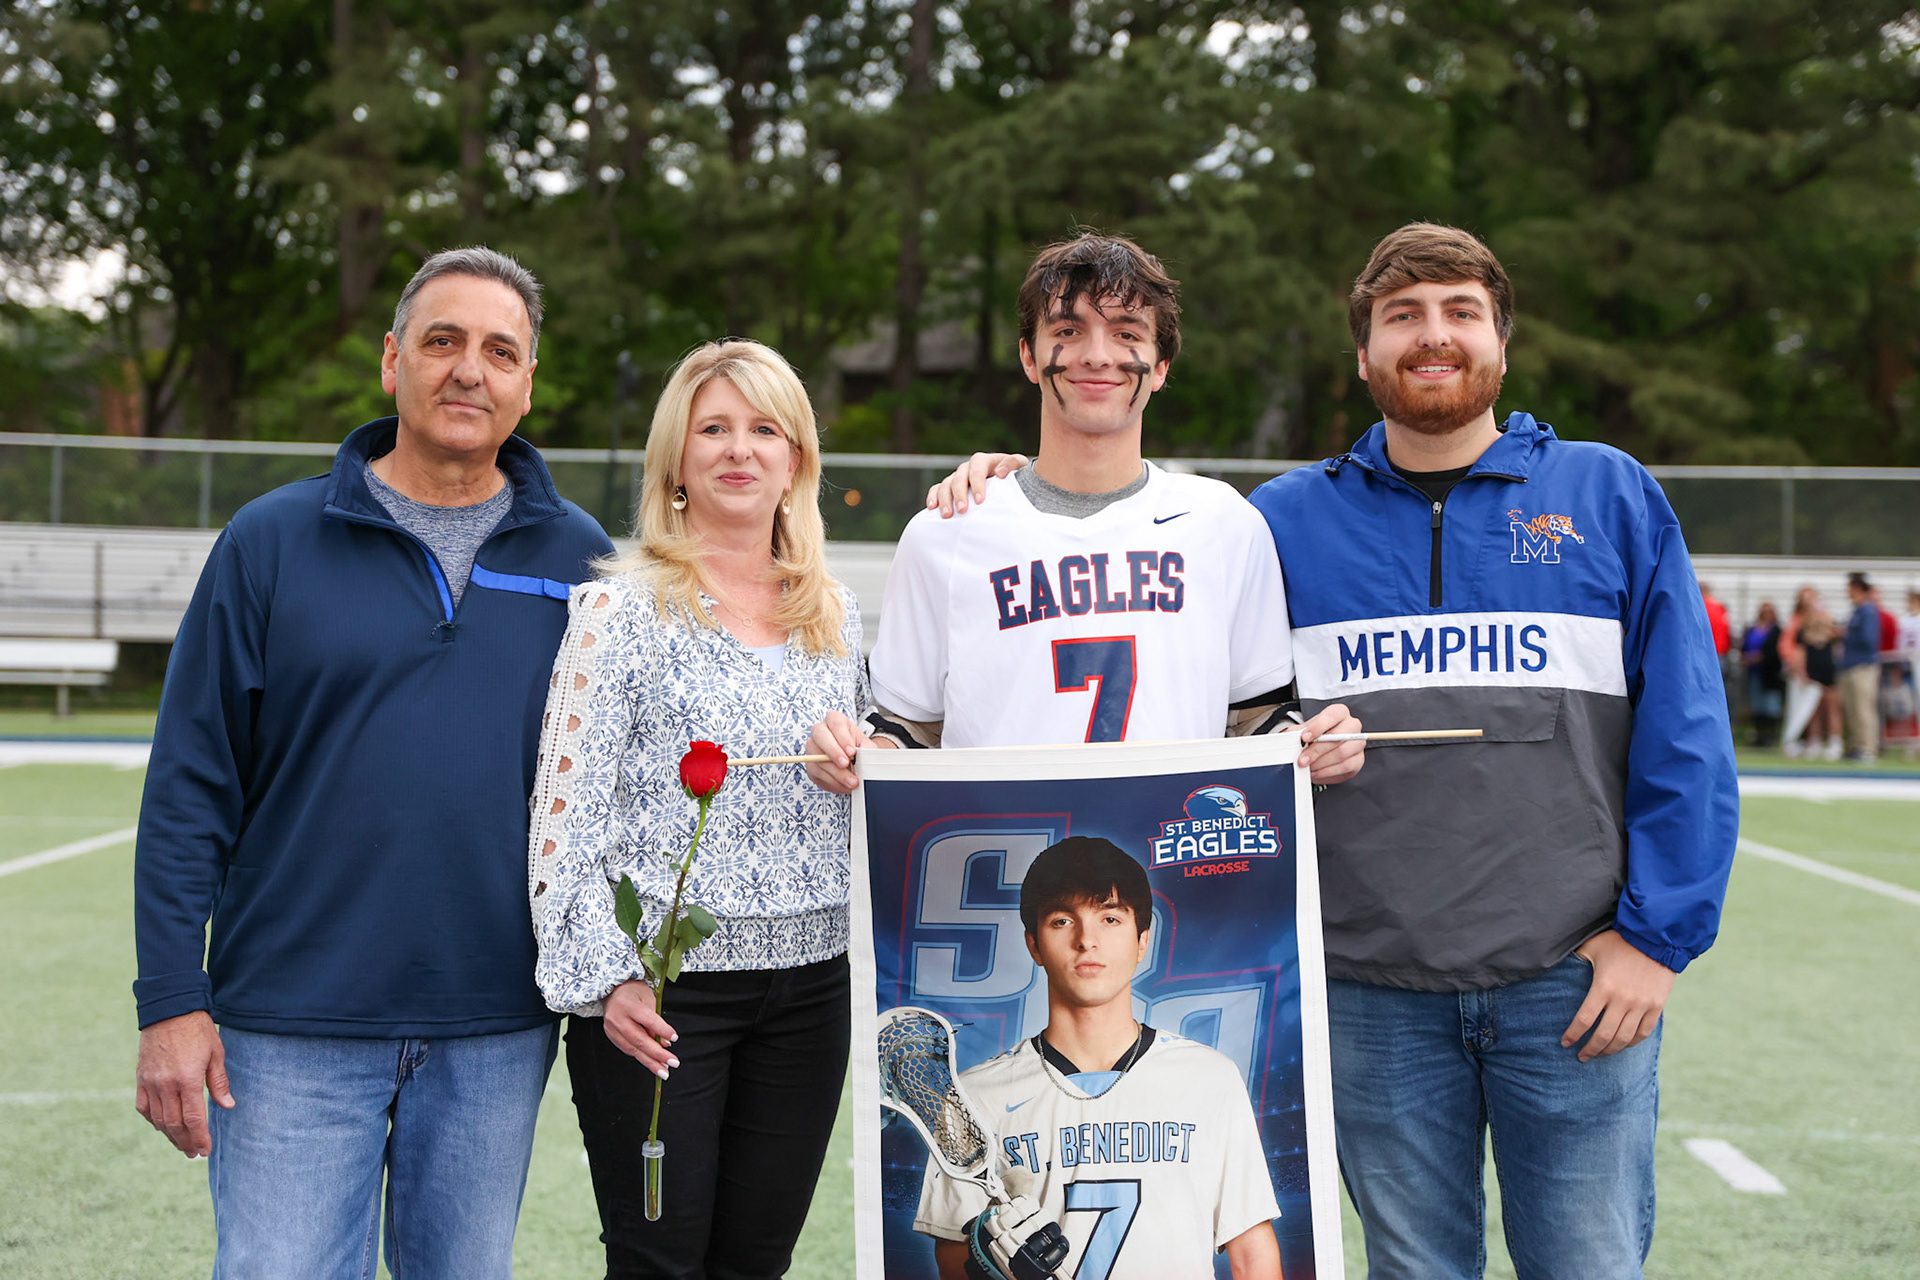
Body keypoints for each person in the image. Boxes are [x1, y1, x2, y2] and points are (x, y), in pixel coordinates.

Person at [1238, 223, 1738, 1279]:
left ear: (1501, 343)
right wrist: (1000, 477)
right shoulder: (1278, 521)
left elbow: (1687, 732)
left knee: (1588, 1266)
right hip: (1367, 988)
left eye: (1461, 311)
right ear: (1365, 355)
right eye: (1404, 315)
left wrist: (1657, 940)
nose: (1435, 335)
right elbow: (1221, 720)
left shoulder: (1607, 493)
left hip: (1573, 982)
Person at [132, 247, 615, 1276]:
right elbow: (189, 784)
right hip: (289, 1024)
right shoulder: (269, 541)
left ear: (528, 382)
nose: (467, 371)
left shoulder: (581, 559)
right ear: (391, 360)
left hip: (495, 1022)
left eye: (499, 350)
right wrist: (172, 1000)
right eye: (441, 341)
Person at [527, 340, 864, 1279]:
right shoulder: (618, 611)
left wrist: (859, 762)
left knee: (755, 1263)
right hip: (664, 996)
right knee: (659, 1263)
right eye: (712, 428)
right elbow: (564, 819)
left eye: (764, 429)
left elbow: (870, 777)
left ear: (796, 458)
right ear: (676, 458)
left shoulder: (831, 611)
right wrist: (610, 982)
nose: (738, 450)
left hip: (810, 991)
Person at [806, 233, 1363, 785]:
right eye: (1068, 330)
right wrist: (855, 753)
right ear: (1029, 355)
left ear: (1161, 364)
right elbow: (909, 727)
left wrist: (1314, 748)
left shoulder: (1224, 523)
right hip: (1009, 858)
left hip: (1173, 860)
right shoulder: (946, 531)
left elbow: (1258, 718)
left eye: (1126, 332)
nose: (1097, 355)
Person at [913, 837, 1281, 1280]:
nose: (1087, 940)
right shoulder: (972, 1098)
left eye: (1110, 918)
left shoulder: (1210, 1078)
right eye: (1062, 920)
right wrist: (993, 1267)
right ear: (1033, 944)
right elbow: (954, 1261)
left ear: (1142, 940)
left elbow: (1251, 1254)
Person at [1839, 571, 1883, 761]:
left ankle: (1867, 748)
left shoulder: (1868, 610)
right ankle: (1856, 746)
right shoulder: (1856, 610)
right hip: (1850, 665)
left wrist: (1845, 635)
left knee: (1864, 709)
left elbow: (1869, 639)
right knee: (1852, 709)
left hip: (1863, 666)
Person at [1740, 602, 1785, 747]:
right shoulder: (1752, 628)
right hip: (1754, 673)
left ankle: (1770, 736)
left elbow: (1775, 651)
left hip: (1770, 674)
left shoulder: (1776, 630)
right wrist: (1746, 657)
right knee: (1757, 705)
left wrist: (1760, 657)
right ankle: (1758, 735)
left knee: (1771, 705)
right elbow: (1744, 646)